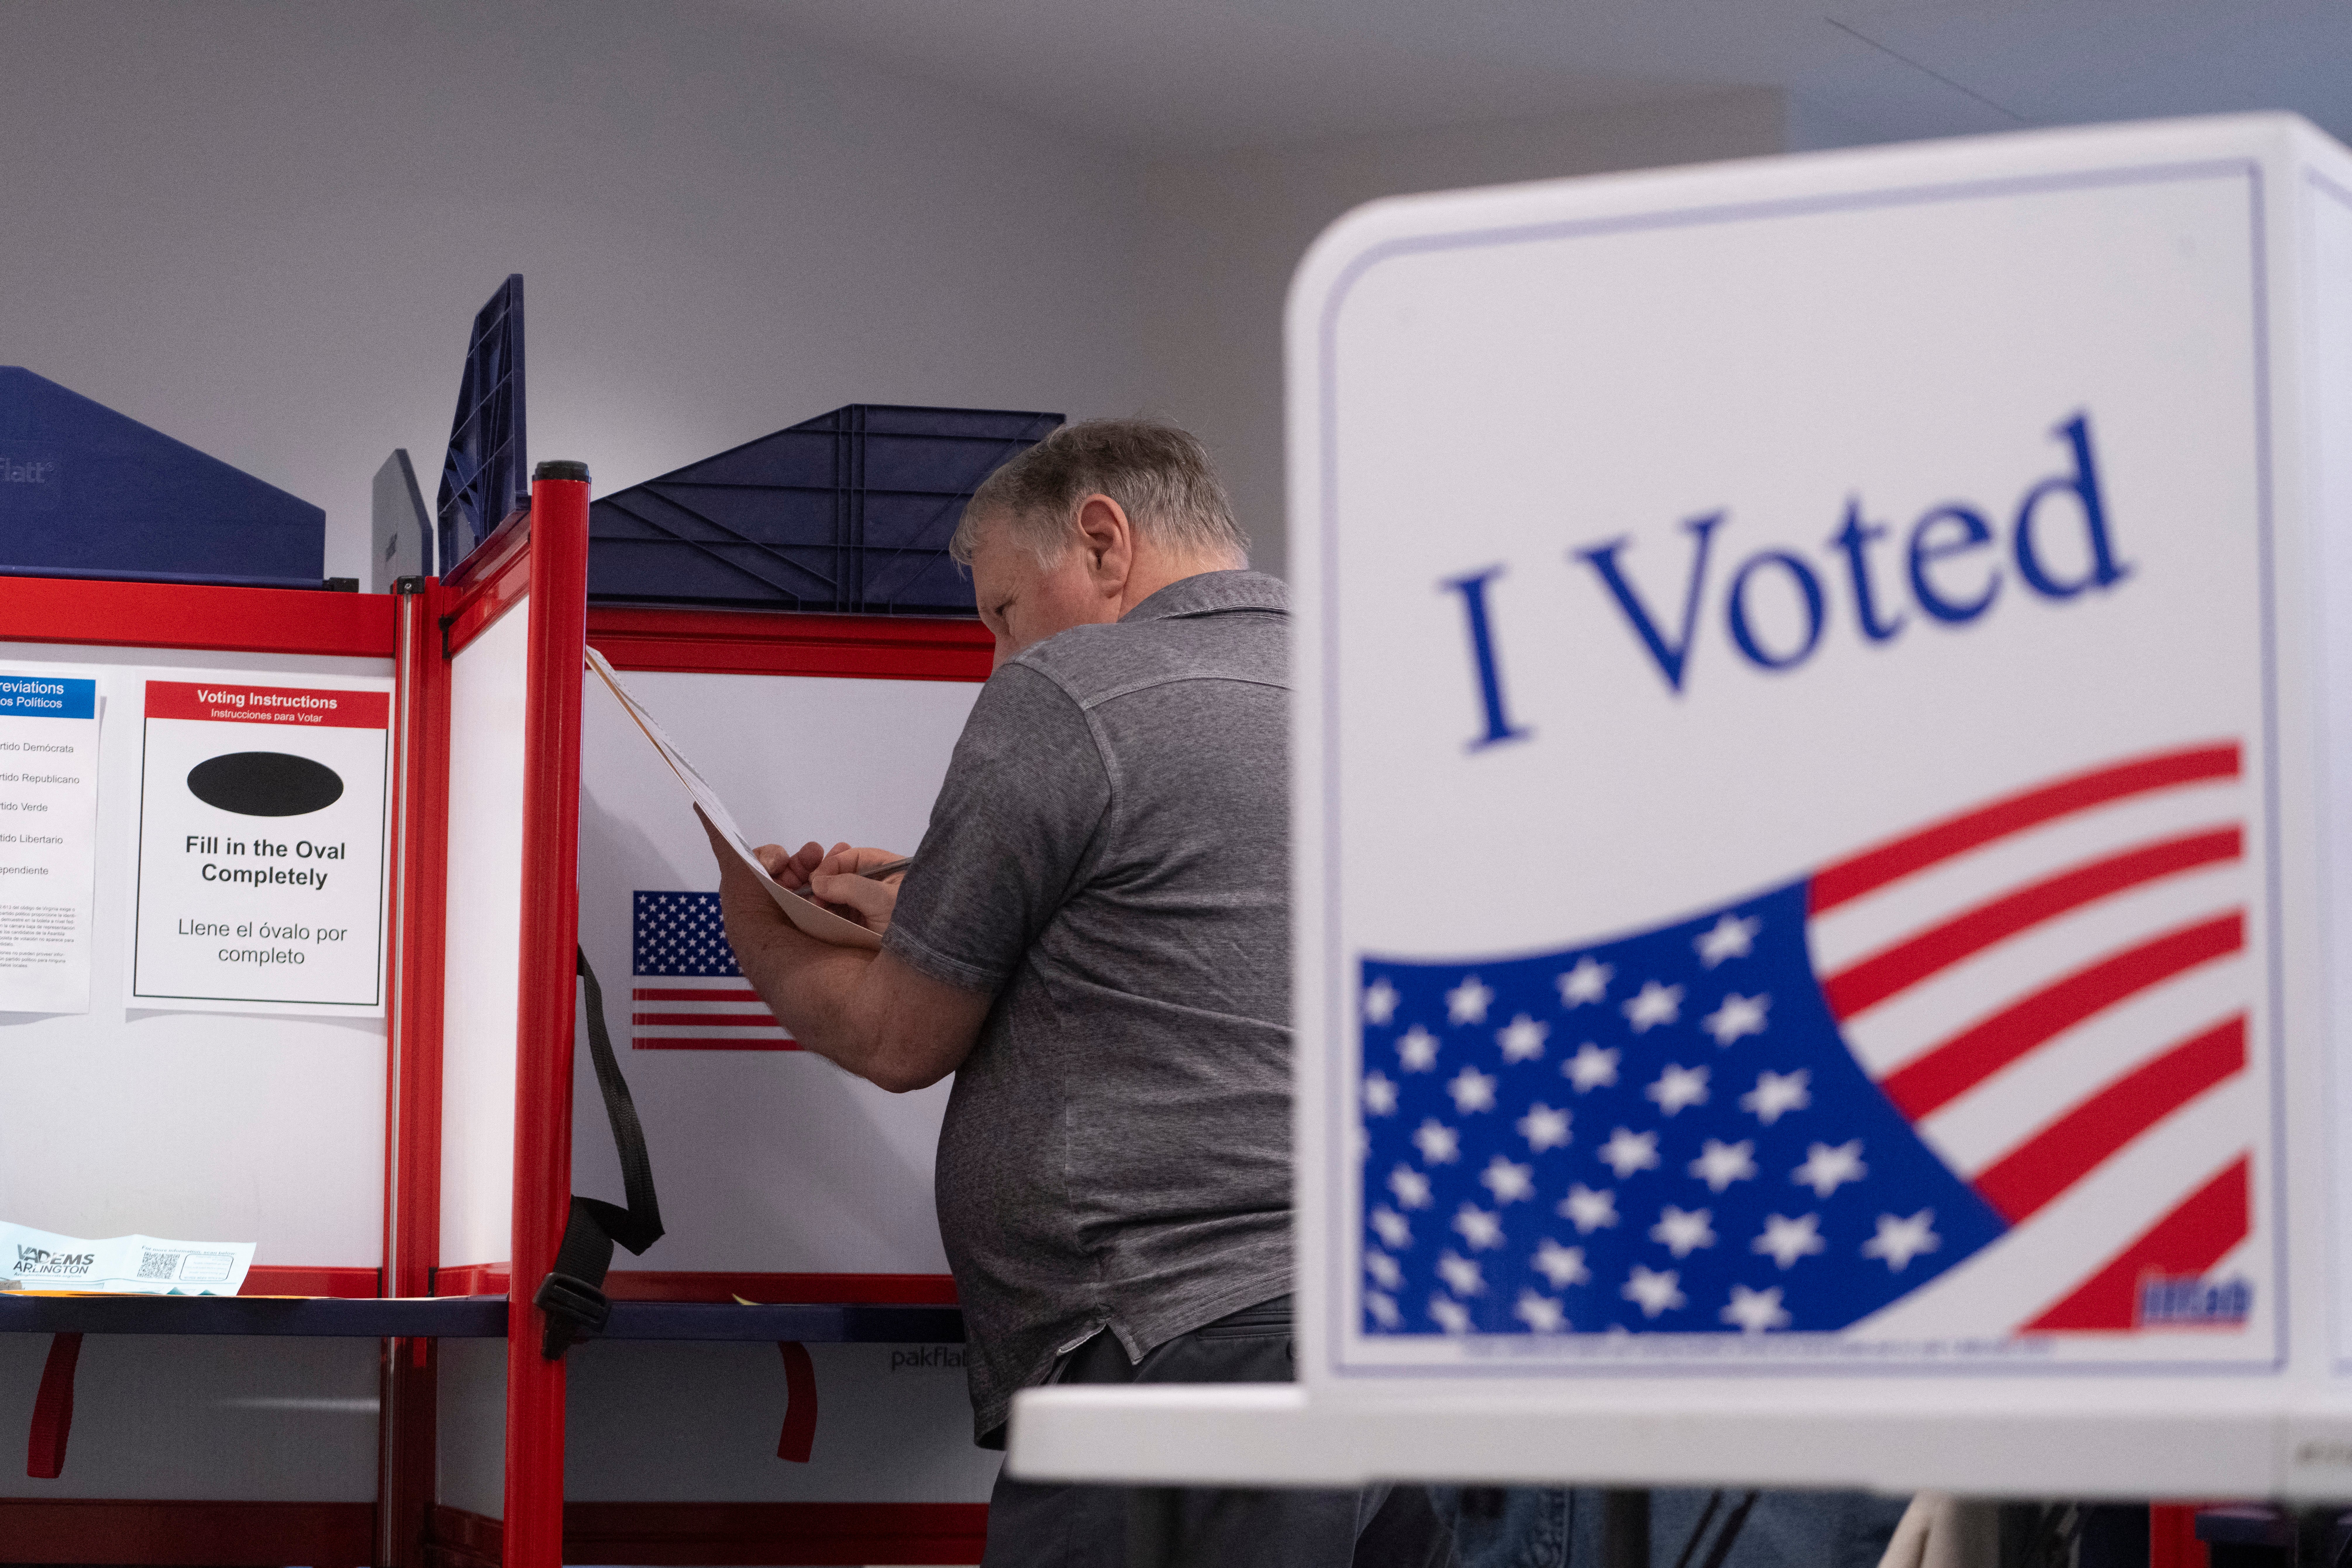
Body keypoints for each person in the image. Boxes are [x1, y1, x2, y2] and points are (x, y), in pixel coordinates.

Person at [702, 418, 1457, 1567]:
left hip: (1173, 1350)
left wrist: (755, 927)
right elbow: (1195, 933)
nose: (1003, 658)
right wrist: (929, 904)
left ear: (1103, 538)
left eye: (1006, 611)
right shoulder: (1390, 691)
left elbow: (899, 1038)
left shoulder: (1077, 690)